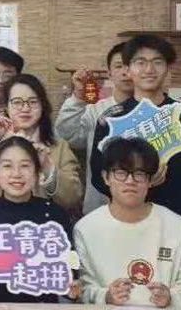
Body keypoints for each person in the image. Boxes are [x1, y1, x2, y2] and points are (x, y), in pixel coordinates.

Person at [89, 35, 181, 246]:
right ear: (128, 69)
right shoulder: (112, 121)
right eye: (140, 62)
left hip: (180, 225)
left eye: (157, 62)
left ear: (168, 69)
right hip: (129, 225)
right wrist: (139, 183)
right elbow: (98, 178)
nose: (149, 69)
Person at [74, 138, 181, 310]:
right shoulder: (86, 228)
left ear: (150, 180)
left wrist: (171, 298)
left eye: (139, 174)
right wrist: (106, 296)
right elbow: (80, 290)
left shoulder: (177, 226)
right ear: (106, 177)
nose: (130, 181)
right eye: (121, 173)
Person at [0, 137, 75, 303]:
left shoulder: (54, 215)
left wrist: (73, 284)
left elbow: (70, 272)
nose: (16, 174)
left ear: (37, 172)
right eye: (7, 166)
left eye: (25, 166)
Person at [0, 75, 82, 214]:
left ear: (42, 106)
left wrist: (47, 167)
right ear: (7, 107)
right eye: (17, 102)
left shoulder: (58, 146)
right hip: (1, 220)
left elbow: (72, 198)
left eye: (33, 102)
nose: (25, 108)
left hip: (45, 221)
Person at [55, 42, 134, 216]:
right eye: (119, 66)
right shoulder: (95, 110)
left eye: (130, 65)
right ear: (109, 73)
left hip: (143, 205)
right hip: (99, 208)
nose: (125, 72)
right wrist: (78, 95)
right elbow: (67, 136)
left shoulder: (155, 112)